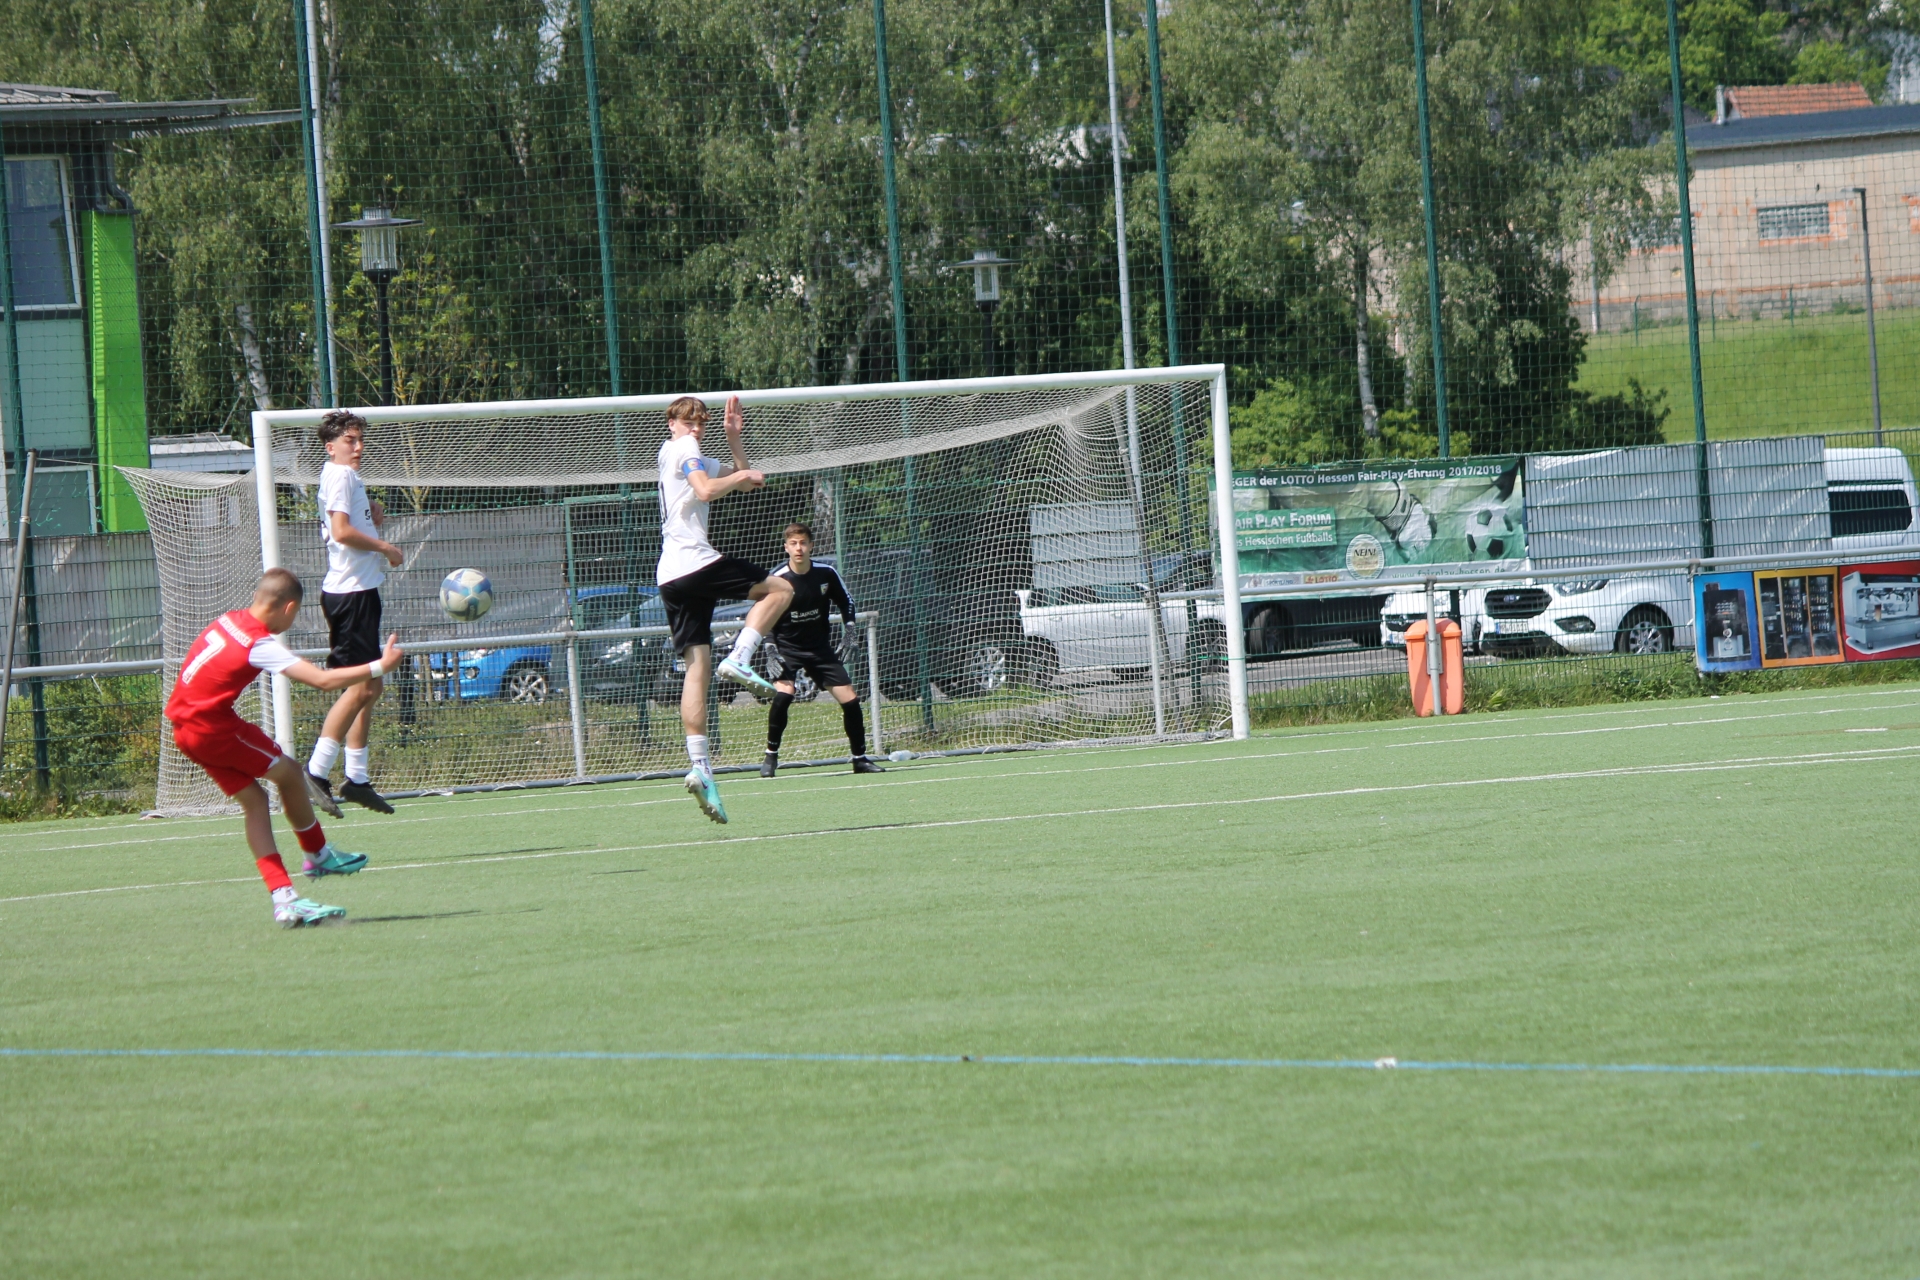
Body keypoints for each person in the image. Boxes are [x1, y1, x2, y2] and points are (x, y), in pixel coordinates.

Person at [166, 568, 402, 928]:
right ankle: (318, 855)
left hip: (183, 731)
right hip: (213, 729)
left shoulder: (228, 620)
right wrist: (379, 666)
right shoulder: (257, 643)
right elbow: (322, 681)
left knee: (256, 801)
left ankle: (285, 899)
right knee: (291, 774)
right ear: (289, 607)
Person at [656, 394, 794, 823]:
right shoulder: (684, 447)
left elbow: (745, 482)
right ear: (672, 424)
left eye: (701, 423)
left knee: (697, 668)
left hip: (670, 576)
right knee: (781, 590)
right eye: (689, 421)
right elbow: (707, 489)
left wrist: (734, 439)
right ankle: (740, 656)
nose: (696, 429)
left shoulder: (678, 452)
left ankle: (701, 768)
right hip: (694, 563)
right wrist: (741, 476)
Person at [304, 409, 404, 817]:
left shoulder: (343, 476)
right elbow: (342, 532)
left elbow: (345, 523)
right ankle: (315, 772)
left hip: (359, 592)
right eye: (350, 440)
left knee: (371, 686)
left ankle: (357, 780)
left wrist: (372, 514)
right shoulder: (341, 475)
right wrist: (386, 547)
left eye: (361, 440)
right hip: (351, 595)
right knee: (360, 687)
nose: (358, 447)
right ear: (331, 446)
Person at [760, 523, 884, 777]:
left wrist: (850, 632)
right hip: (787, 648)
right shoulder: (778, 579)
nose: (799, 548)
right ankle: (771, 756)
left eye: (803, 543)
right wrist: (770, 649)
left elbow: (846, 602)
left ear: (811, 546)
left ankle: (859, 759)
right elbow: (764, 615)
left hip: (819, 649)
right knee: (784, 694)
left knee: (850, 699)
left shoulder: (826, 573)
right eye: (793, 543)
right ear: (786, 547)